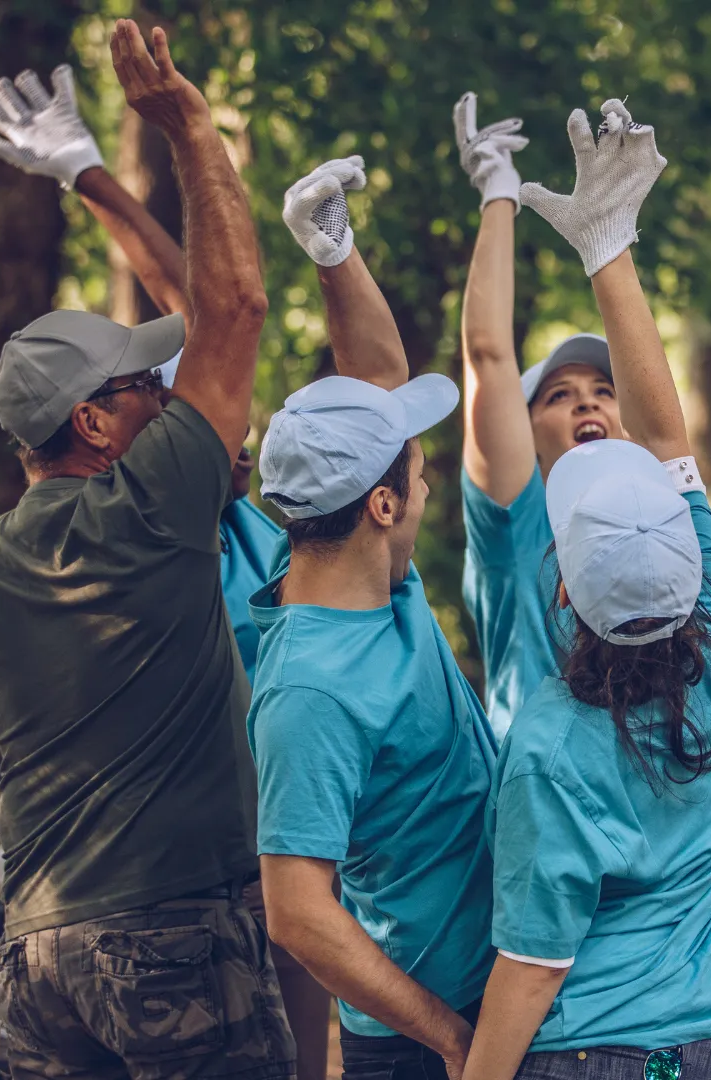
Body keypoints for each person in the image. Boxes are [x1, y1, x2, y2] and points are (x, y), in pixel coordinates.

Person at [0, 22, 297, 1079]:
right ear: (94, 426)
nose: (168, 391)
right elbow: (231, 307)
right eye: (146, 385)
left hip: (39, 964)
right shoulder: (151, 508)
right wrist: (188, 127)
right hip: (176, 947)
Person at [0, 57, 331, 1077]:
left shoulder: (262, 535)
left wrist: (88, 170)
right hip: (179, 892)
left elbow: (198, 301)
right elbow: (212, 307)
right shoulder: (136, 540)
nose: (213, 418)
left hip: (281, 858)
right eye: (163, 405)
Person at [452, 89, 711, 1029]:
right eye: (557, 394)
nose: (586, 403)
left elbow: (701, 760)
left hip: (613, 997)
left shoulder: (674, 559)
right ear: (524, 435)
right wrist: (499, 202)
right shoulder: (520, 524)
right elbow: (487, 356)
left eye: (602, 387)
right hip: (553, 877)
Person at [248, 155, 497, 1080]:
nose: (429, 478)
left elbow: (380, 379)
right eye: (418, 473)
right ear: (383, 507)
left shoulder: (359, 571)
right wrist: (452, 1038)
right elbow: (298, 912)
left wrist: (331, 249)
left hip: (488, 991)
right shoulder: (311, 691)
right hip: (420, 1036)